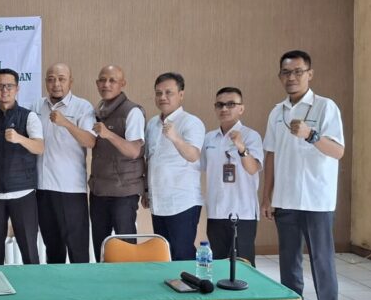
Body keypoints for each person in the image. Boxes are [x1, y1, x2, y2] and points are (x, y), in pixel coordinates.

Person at [262, 50, 346, 300]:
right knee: (289, 264)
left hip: (316, 200)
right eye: (286, 72)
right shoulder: (277, 112)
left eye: (298, 71)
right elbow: (271, 155)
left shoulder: (325, 107)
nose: (292, 77)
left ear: (310, 74)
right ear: (280, 76)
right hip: (285, 199)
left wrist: (311, 135)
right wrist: (266, 197)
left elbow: (338, 151)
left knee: (322, 263)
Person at [0, 68, 44, 265]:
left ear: (17, 89)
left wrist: (19, 138)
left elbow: (40, 147)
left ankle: (33, 284)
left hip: (23, 192)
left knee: (29, 250)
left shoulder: (29, 116)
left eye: (9, 86)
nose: (4, 90)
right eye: (0, 86)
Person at [36, 63, 95, 263]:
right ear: (46, 82)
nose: (56, 84)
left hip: (70, 190)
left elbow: (90, 141)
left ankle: (81, 285)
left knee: (78, 250)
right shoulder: (36, 106)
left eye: (61, 79)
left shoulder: (82, 107)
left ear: (71, 81)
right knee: (53, 250)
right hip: (42, 188)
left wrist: (65, 123)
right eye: (51, 79)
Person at [143, 72, 205, 261]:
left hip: (182, 202)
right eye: (158, 93)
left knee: (182, 255)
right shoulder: (152, 124)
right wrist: (146, 190)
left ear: (181, 95)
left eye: (168, 92)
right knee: (163, 255)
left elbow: (193, 155)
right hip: (158, 202)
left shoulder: (191, 122)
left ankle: (189, 282)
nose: (163, 97)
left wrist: (176, 138)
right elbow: (149, 160)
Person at [89, 64, 146, 262]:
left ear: (123, 84)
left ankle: (129, 282)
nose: (106, 84)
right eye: (102, 80)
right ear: (97, 83)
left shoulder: (132, 111)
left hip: (124, 193)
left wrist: (108, 134)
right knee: (101, 248)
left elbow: (134, 151)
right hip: (99, 190)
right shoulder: (98, 110)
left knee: (125, 249)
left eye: (112, 80)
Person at [201, 87, 263, 265]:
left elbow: (253, 168)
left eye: (230, 104)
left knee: (243, 265)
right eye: (220, 105)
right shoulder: (209, 138)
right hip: (216, 211)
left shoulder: (251, 136)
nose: (224, 109)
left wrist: (241, 148)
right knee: (219, 264)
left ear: (241, 108)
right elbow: (201, 167)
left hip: (242, 212)